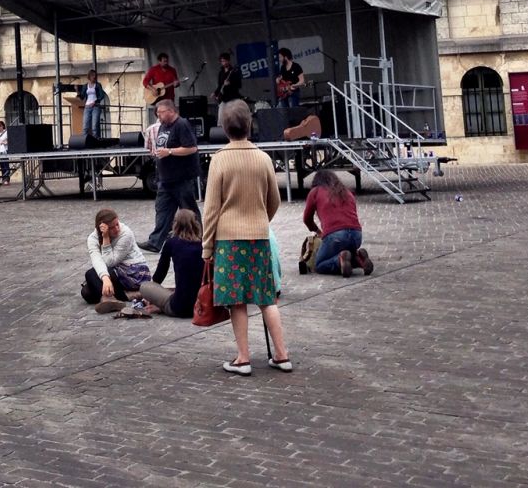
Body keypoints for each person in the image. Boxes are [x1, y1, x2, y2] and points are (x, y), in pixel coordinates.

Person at [202, 100, 291, 376]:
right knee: (266, 298)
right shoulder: (263, 158)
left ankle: (243, 358)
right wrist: (261, 221)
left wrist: (207, 247)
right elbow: (274, 200)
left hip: (228, 241)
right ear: (250, 125)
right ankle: (282, 355)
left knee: (237, 300)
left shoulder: (219, 159)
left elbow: (211, 209)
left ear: (224, 128)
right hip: (259, 237)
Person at [138, 99, 200, 253]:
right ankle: (155, 242)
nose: (158, 116)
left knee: (189, 210)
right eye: (157, 113)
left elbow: (191, 148)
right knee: (162, 210)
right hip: (165, 178)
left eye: (161, 112)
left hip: (182, 178)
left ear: (171, 111)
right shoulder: (163, 126)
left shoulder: (181, 124)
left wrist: (170, 152)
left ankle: (199, 238)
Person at [304, 169, 374, 278]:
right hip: (356, 235)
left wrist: (318, 231)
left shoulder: (315, 191)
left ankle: (339, 259)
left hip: (335, 236)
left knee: (319, 265)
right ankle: (359, 259)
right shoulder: (346, 191)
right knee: (346, 250)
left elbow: (307, 219)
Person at [81, 208, 152, 312]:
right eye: (111, 227)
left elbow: (110, 262)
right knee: (86, 293)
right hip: (115, 272)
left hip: (135, 273)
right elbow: (97, 260)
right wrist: (105, 278)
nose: (117, 229)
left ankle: (110, 298)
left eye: (117, 224)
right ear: (102, 228)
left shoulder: (126, 233)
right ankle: (125, 296)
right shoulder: (92, 238)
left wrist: (106, 239)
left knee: (90, 274)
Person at [139, 209, 204, 318]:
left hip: (179, 307)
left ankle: (162, 306)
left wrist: (154, 291)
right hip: (202, 306)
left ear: (175, 224)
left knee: (145, 286)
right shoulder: (203, 244)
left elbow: (161, 272)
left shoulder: (171, 243)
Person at [212, 51, 243, 125]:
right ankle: (221, 131)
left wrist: (230, 83)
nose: (224, 63)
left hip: (232, 98)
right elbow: (220, 85)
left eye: (225, 61)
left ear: (229, 61)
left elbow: (239, 85)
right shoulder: (221, 72)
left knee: (233, 118)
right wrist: (215, 93)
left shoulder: (234, 71)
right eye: (222, 61)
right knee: (220, 119)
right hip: (224, 98)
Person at [77, 69, 107, 138]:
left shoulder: (98, 85)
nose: (94, 77)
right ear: (89, 76)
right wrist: (78, 92)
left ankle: (96, 141)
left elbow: (102, 95)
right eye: (93, 75)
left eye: (95, 75)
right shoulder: (85, 86)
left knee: (94, 127)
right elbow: (82, 97)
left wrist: (95, 102)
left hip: (95, 106)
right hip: (87, 107)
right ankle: (85, 141)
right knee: (85, 126)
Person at [0, 119, 10, 184]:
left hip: (5, 151)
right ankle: (3, 178)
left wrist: (3, 142)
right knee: (2, 166)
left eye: (0, 125)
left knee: (6, 165)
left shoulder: (5, 132)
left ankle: (7, 179)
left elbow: (9, 141)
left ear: (3, 126)